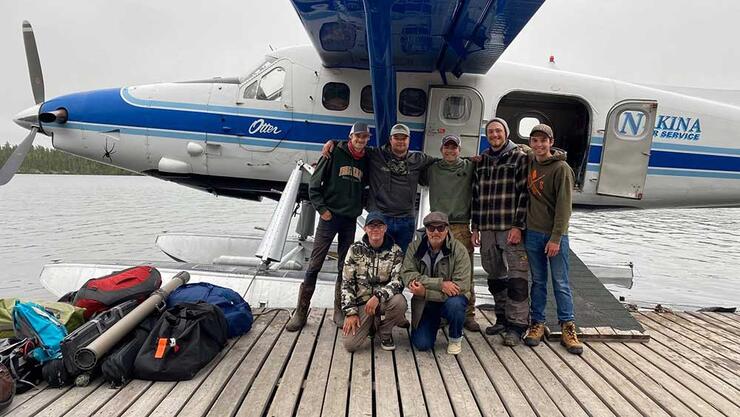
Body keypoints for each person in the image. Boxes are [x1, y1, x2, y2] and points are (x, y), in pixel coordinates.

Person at [286, 122, 369, 332]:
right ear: (350, 137)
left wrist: (360, 206)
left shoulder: (366, 159)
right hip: (329, 217)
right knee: (315, 263)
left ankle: (339, 310)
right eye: (357, 136)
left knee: (345, 266)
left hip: (349, 219)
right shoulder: (333, 152)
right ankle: (301, 311)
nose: (360, 140)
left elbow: (366, 187)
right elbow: (314, 185)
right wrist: (322, 209)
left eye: (365, 137)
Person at [323, 123, 436, 251]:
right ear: (390, 139)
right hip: (380, 218)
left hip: (406, 220)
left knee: (402, 259)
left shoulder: (418, 159)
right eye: (396, 138)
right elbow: (355, 146)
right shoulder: (376, 154)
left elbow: (443, 163)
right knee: (376, 258)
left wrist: (463, 162)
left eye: (403, 138)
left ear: (409, 140)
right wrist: (333, 142)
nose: (400, 141)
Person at [522, 124, 583, 354]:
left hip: (555, 236)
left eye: (543, 141)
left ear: (551, 142)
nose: (539, 145)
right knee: (538, 282)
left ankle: (568, 326)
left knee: (560, 282)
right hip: (532, 233)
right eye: (534, 140)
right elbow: (517, 148)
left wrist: (556, 237)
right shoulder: (530, 160)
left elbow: (564, 208)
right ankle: (537, 323)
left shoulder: (562, 168)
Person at [471, 117, 530, 346]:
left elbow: (524, 194)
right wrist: (475, 227)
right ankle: (502, 318)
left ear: (506, 132)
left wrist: (518, 226)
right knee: (494, 274)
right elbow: (476, 195)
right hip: (486, 227)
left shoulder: (519, 158)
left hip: (509, 227)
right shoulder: (483, 160)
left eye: (498, 131)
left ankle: (517, 325)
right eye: (491, 132)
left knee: (517, 277)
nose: (494, 135)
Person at [422, 134, 480, 332]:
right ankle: (440, 311)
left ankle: (468, 313)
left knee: (466, 271)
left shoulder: (469, 166)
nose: (450, 150)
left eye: (454, 147)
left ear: (459, 150)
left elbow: (492, 159)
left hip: (461, 225)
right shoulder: (432, 169)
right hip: (437, 226)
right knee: (437, 270)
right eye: (446, 147)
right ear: (441, 150)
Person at [401, 212, 471, 355]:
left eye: (440, 228)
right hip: (425, 303)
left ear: (447, 229)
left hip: (449, 300)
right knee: (422, 344)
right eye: (431, 228)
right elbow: (407, 275)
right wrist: (441, 284)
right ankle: (437, 322)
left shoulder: (459, 250)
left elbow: (461, 286)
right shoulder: (413, 247)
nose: (436, 232)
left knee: (456, 304)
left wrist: (426, 292)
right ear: (426, 229)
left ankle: (455, 337)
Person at [341, 212, 408, 352]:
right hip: (361, 303)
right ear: (365, 229)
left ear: (385, 228)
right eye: (371, 226)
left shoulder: (396, 251)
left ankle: (385, 332)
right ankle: (372, 324)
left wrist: (378, 296)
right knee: (350, 345)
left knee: (400, 302)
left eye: (379, 225)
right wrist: (351, 312)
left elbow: (398, 281)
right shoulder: (354, 249)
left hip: (382, 301)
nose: (375, 229)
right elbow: (347, 283)